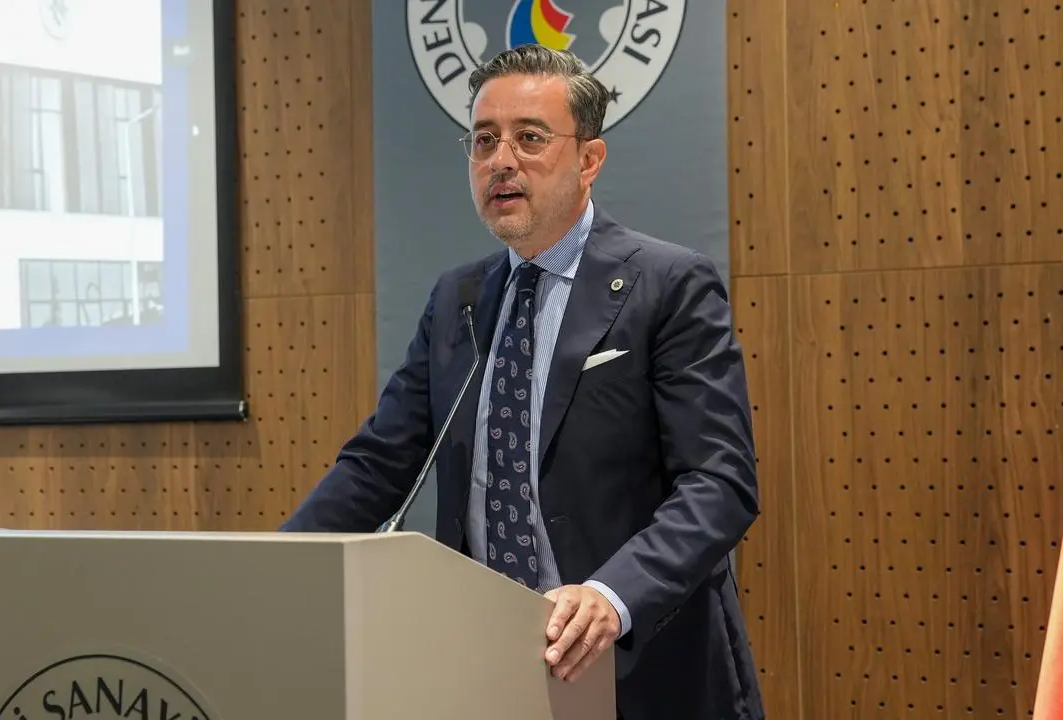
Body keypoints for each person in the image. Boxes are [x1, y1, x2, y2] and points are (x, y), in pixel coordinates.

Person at [281, 44, 765, 720]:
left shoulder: (667, 286)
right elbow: (377, 465)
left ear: (589, 160)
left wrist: (612, 596)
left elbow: (719, 482)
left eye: (529, 138)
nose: (500, 161)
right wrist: (279, 568)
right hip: (492, 667)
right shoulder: (459, 299)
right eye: (484, 141)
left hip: (643, 671)